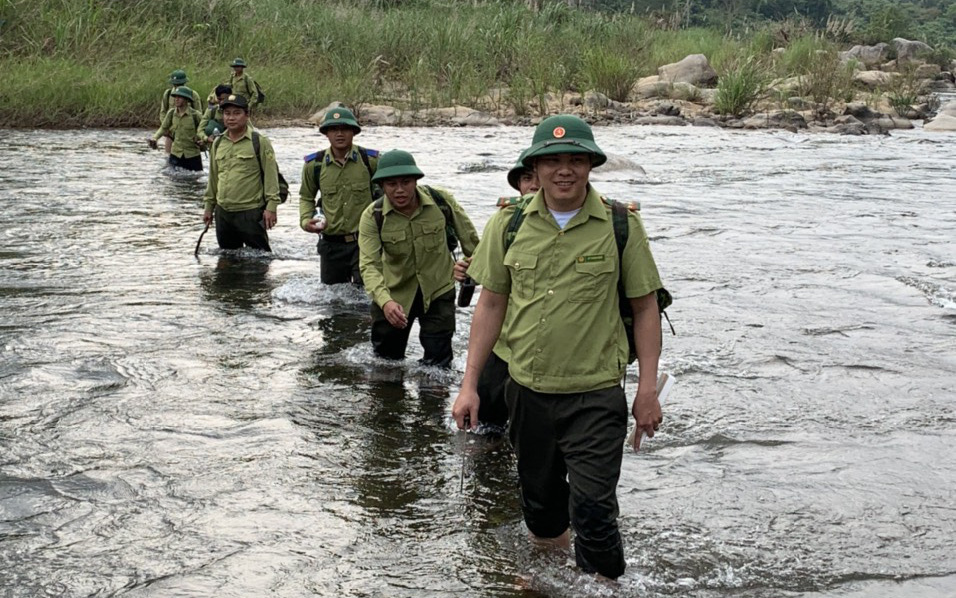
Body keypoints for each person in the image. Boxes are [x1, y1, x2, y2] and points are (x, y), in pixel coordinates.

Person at [451, 115, 666, 580]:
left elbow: (645, 308)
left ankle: (604, 586)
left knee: (593, 509)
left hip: (595, 394)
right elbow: (490, 304)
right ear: (535, 166)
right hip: (526, 392)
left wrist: (646, 389)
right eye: (552, 161)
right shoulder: (507, 224)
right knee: (543, 512)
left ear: (591, 165)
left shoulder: (620, 224)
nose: (563, 170)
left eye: (575, 160)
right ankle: (555, 581)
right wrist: (470, 386)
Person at [357, 150, 480, 367]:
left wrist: (471, 268)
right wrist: (385, 302)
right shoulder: (372, 216)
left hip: (438, 291)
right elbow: (369, 265)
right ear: (382, 186)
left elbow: (473, 245)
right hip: (393, 294)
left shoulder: (442, 202)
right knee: (385, 366)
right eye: (392, 184)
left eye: (406, 182)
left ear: (416, 181)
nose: (400, 190)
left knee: (438, 369)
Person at [454, 149, 539, 428]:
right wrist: (464, 270)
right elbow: (481, 269)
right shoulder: (508, 223)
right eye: (528, 179)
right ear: (518, 184)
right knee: (485, 427)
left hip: (547, 353)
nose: (535, 185)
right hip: (502, 343)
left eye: (539, 177)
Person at [299, 107, 379, 285]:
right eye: (334, 129)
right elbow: (306, 197)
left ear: (354, 132)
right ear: (326, 134)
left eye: (345, 129)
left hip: (365, 242)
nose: (340, 134)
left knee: (365, 298)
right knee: (334, 302)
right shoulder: (315, 165)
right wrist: (306, 222)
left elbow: (387, 196)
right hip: (331, 245)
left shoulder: (371, 161)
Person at [201, 94, 280, 251]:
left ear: (247, 115)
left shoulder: (259, 141)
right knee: (227, 261)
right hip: (223, 213)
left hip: (250, 212)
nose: (231, 118)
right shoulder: (218, 143)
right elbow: (213, 178)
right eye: (227, 113)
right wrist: (209, 207)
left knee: (259, 262)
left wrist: (271, 207)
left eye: (236, 113)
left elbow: (271, 176)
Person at [148, 86, 203, 172]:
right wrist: (155, 138)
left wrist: (202, 140)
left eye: (179, 97)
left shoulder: (196, 115)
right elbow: (163, 127)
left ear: (186, 99)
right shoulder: (171, 113)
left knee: (195, 179)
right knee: (172, 179)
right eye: (175, 97)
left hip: (192, 155)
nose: (176, 99)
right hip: (175, 154)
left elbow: (204, 129)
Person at [160, 70, 202, 154]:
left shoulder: (193, 94)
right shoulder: (168, 94)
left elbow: (199, 114)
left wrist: (198, 134)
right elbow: (163, 111)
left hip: (187, 132)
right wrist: (166, 128)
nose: (177, 86)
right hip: (170, 132)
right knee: (168, 157)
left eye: (180, 84)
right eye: (175, 84)